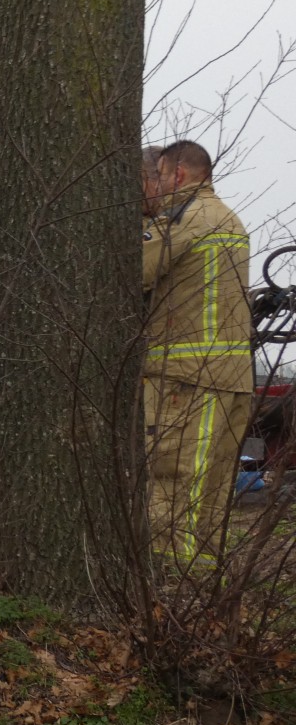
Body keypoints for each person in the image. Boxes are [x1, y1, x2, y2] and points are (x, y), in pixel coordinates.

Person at [142, 139, 251, 565]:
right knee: (212, 491)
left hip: (187, 379)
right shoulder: (227, 217)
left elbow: (127, 269)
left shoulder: (183, 221)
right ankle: (202, 584)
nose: (153, 187)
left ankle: (169, 581)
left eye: (157, 177)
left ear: (179, 175)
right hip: (231, 378)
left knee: (173, 481)